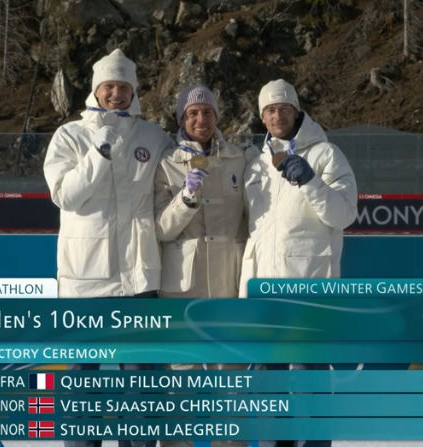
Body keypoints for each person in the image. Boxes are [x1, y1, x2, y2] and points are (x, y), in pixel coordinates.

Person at [43, 49, 175, 447]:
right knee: (82, 385)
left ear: (133, 90)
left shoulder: (153, 136)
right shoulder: (70, 135)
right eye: (109, 87)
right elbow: (66, 197)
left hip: (138, 280)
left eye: (123, 87)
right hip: (86, 280)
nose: (116, 94)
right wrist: (97, 154)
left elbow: (173, 181)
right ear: (96, 90)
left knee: (142, 384)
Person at [240, 79, 358, 447]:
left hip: (308, 286)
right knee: (267, 384)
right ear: (262, 117)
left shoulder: (326, 154)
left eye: (283, 108)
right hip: (264, 290)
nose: (277, 116)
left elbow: (344, 214)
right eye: (269, 110)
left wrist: (309, 180)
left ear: (296, 110)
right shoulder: (255, 164)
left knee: (310, 380)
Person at [154, 85, 253, 447]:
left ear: (217, 117)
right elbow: (160, 228)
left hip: (229, 285)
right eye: (192, 113)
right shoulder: (166, 163)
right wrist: (186, 198)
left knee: (232, 385)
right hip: (183, 290)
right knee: (181, 384)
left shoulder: (239, 159)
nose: (201, 120)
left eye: (207, 112)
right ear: (181, 119)